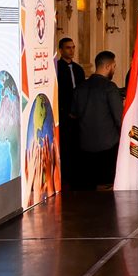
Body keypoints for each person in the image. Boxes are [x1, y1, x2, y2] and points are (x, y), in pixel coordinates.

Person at [70, 50, 124, 189]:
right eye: (114, 66)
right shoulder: (110, 88)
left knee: (89, 186)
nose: (114, 70)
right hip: (108, 147)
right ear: (107, 66)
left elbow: (73, 115)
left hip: (84, 146)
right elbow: (119, 118)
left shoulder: (80, 87)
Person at [54, 36, 88, 186]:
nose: (72, 50)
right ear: (61, 50)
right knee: (65, 145)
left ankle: (77, 173)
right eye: (68, 48)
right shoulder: (57, 68)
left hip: (78, 114)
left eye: (73, 47)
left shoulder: (78, 69)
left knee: (77, 144)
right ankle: (65, 175)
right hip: (63, 114)